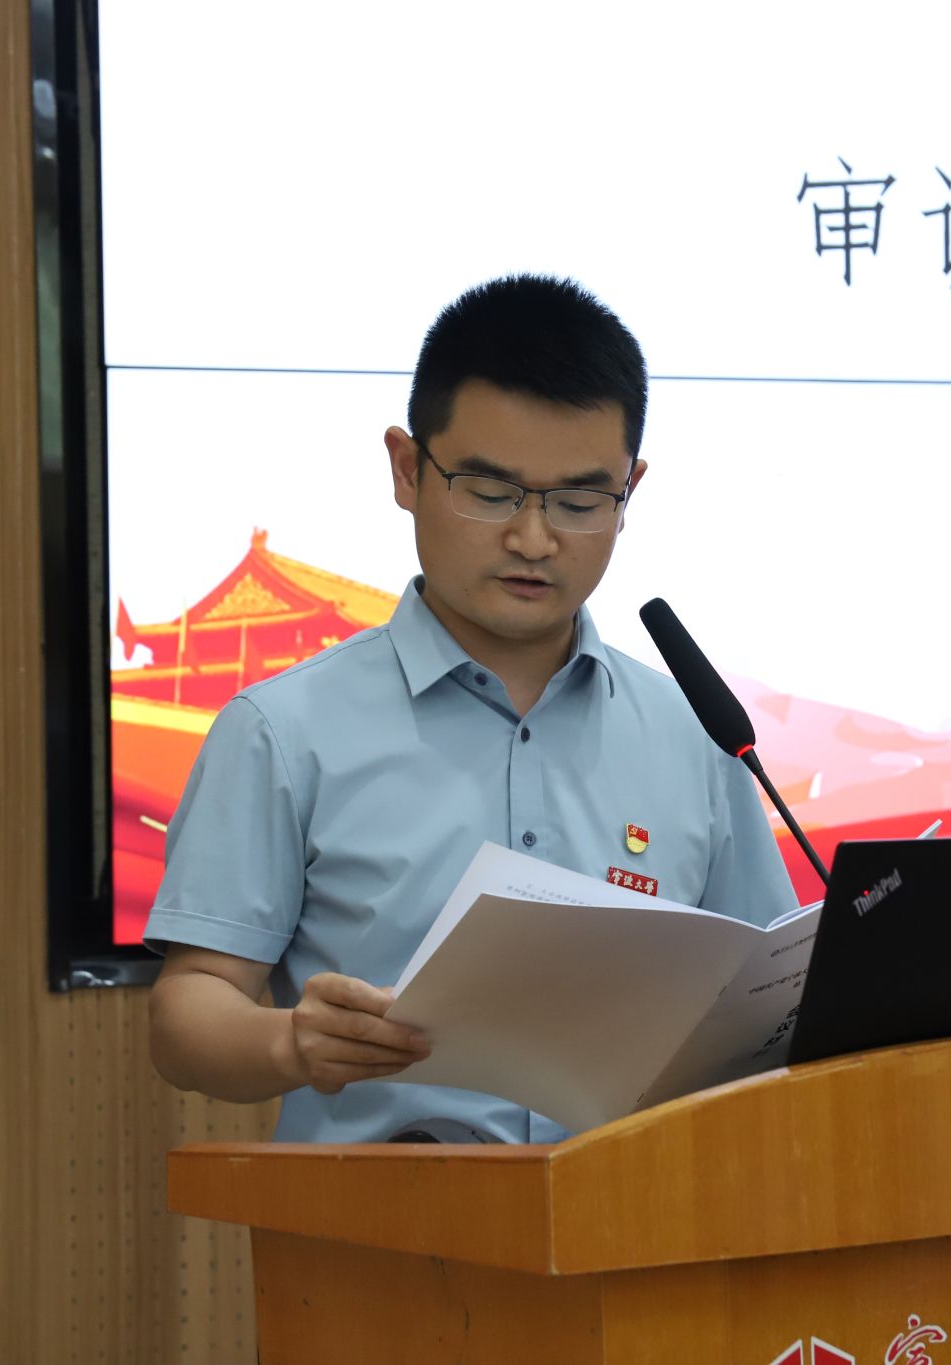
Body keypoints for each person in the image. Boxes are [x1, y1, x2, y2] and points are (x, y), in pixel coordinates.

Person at [144, 275, 798, 1143]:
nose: (534, 538)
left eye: (579, 502)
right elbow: (187, 1012)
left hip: (635, 1215)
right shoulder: (284, 731)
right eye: (490, 493)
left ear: (629, 491)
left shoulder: (695, 736)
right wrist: (290, 1041)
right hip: (391, 1213)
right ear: (407, 469)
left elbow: (771, 1000)